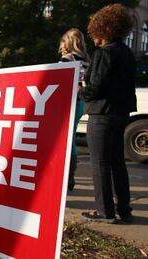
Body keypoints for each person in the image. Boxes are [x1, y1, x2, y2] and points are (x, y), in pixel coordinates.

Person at [80, 3, 136, 224]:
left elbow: (95, 87)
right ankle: (124, 208)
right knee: (117, 162)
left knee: (100, 163)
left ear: (101, 29)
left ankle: (105, 212)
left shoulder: (104, 53)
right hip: (121, 113)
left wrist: (81, 91)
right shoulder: (127, 53)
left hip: (102, 113)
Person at [58, 28, 90, 191]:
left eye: (63, 41)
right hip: (81, 103)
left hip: (67, 103)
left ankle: (66, 175)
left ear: (68, 42)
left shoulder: (67, 59)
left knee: (65, 139)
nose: (61, 45)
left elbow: (57, 81)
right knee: (71, 138)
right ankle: (70, 174)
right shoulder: (86, 60)